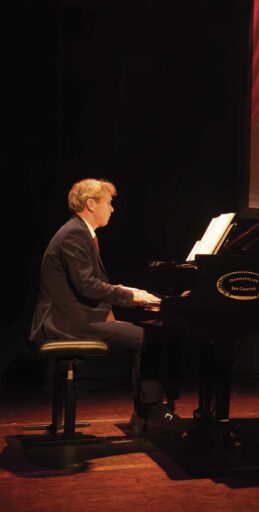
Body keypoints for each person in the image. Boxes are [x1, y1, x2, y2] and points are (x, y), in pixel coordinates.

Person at [29, 178, 187, 433]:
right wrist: (130, 296)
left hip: (70, 318)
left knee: (146, 335)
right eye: (108, 203)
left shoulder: (79, 232)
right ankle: (153, 413)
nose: (112, 209)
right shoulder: (74, 234)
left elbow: (87, 283)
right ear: (91, 204)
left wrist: (128, 291)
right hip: (64, 323)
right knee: (147, 337)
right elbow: (87, 286)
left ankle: (143, 416)